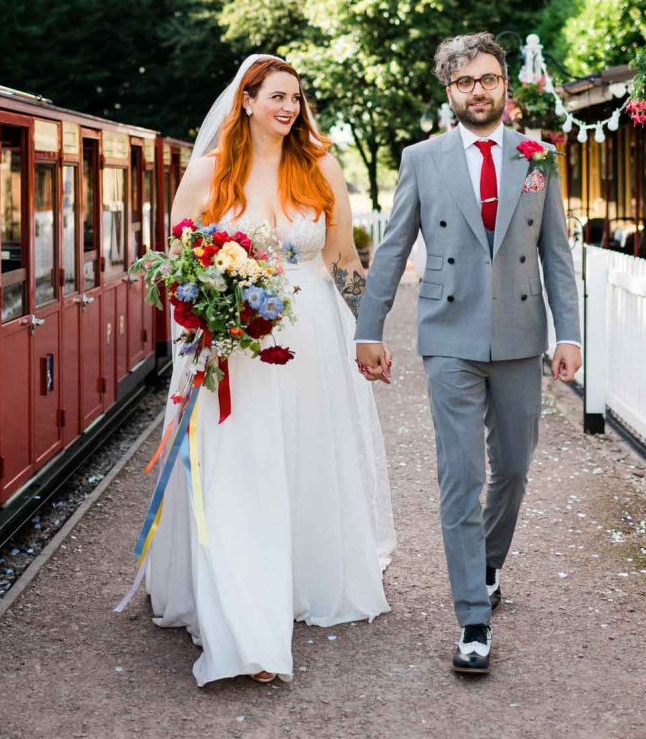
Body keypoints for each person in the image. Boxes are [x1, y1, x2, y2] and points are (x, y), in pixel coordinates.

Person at [145, 55, 396, 686]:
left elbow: (342, 260)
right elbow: (176, 266)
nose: (290, 107)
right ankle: (247, 625)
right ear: (248, 101)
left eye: (297, 97)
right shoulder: (206, 176)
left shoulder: (320, 167)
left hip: (312, 344)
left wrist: (369, 333)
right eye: (278, 96)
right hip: (234, 352)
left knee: (303, 463)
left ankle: (298, 581)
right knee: (242, 471)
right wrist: (204, 321)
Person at [355, 33, 582, 675]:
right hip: (448, 333)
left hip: (519, 335)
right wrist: (368, 328)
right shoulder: (421, 159)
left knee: (512, 464)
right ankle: (472, 619)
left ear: (504, 85)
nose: (476, 91)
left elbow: (555, 254)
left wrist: (569, 333)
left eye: (486, 79)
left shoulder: (539, 156)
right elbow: (394, 248)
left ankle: (487, 560)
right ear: (449, 91)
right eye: (463, 83)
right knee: (462, 474)